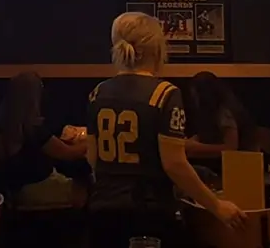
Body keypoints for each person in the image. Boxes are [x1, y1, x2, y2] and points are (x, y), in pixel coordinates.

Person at [87, 12, 244, 246]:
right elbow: (174, 164)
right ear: (158, 48)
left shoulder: (98, 93)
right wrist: (217, 206)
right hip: (148, 210)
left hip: (102, 210)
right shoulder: (164, 94)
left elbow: (92, 157)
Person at [0, 72, 88, 207]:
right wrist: (91, 141)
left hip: (13, 193)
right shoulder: (32, 129)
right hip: (39, 189)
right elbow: (70, 154)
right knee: (87, 187)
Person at [185, 71, 258, 173]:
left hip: (238, 167)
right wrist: (193, 141)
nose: (194, 100)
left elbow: (231, 148)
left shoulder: (225, 113)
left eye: (196, 96)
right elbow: (209, 134)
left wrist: (196, 147)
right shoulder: (213, 112)